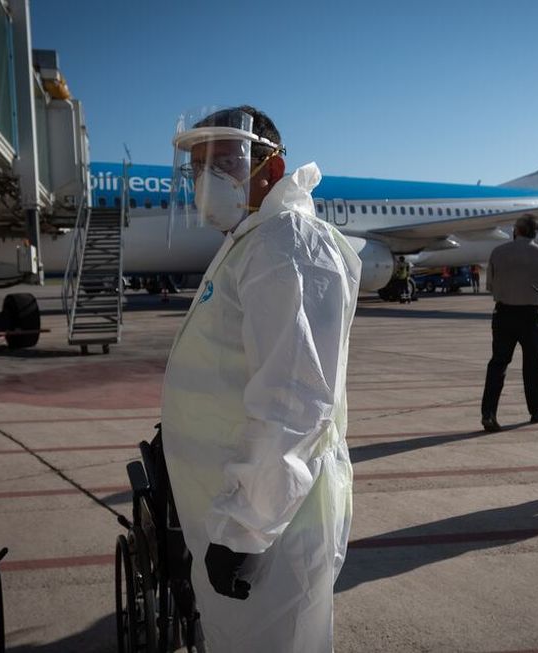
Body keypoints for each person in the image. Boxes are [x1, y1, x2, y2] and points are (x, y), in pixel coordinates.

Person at [161, 105, 361, 651]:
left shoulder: (289, 244)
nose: (208, 178)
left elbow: (294, 400)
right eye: (199, 166)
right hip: (238, 507)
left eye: (224, 161)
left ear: (270, 168)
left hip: (271, 526)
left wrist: (244, 529)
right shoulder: (253, 241)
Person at [480, 214, 538, 432]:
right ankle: (536, 410)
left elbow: (491, 286)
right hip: (530, 315)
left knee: (498, 364)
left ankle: (489, 413)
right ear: (535, 233)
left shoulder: (498, 252)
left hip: (504, 313)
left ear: (517, 231)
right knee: (533, 364)